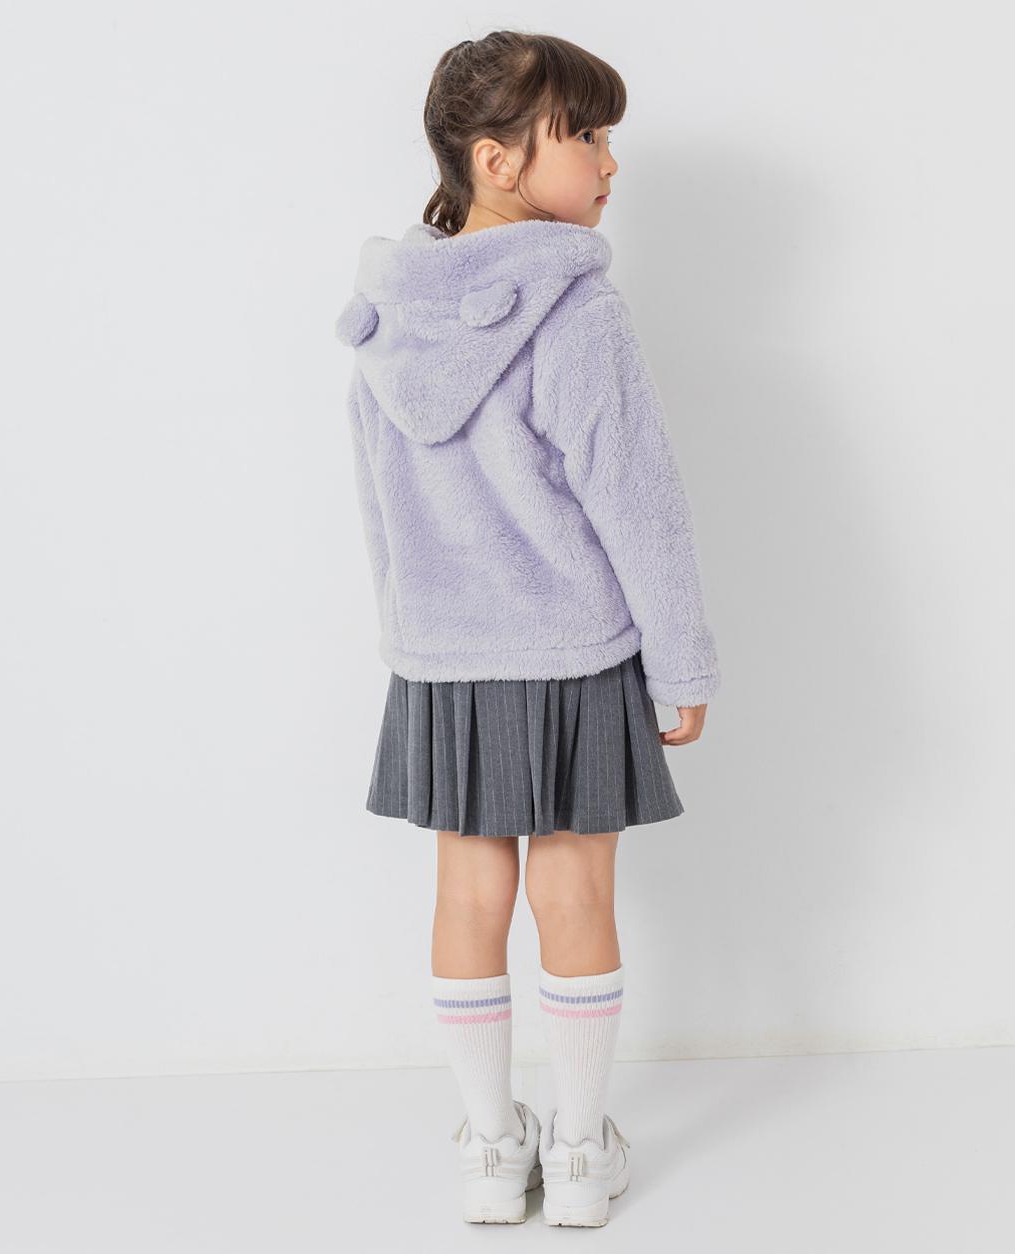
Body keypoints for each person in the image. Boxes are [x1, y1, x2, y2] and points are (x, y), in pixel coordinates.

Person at [334, 29, 721, 1228]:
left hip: (443, 658)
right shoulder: (576, 309)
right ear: (496, 161)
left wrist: (409, 640)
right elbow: (638, 502)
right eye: (586, 133)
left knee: (465, 896)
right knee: (574, 892)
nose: (610, 159)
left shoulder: (382, 322)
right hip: (572, 650)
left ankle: (492, 1155)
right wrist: (682, 658)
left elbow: (378, 506)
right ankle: (580, 1152)